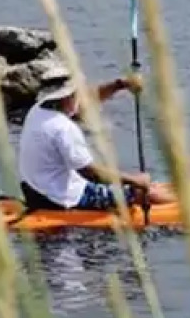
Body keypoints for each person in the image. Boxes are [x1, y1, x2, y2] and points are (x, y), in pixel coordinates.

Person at [16, 64, 164, 211]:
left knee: (147, 186)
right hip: (60, 199)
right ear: (67, 98)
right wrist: (135, 181)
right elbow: (91, 173)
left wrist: (120, 84)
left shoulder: (37, 110)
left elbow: (88, 100)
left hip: (36, 191)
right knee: (145, 193)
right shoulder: (63, 128)